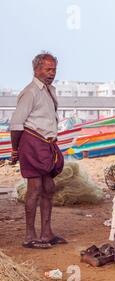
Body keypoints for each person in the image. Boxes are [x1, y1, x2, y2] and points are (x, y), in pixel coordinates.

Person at [10, 52, 66, 249]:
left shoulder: (50, 90)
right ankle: (30, 235)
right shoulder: (30, 91)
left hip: (47, 144)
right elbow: (16, 123)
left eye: (54, 69)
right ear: (36, 69)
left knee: (49, 188)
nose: (51, 73)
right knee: (34, 189)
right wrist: (15, 151)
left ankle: (46, 233)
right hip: (32, 142)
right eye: (48, 69)